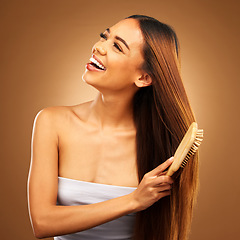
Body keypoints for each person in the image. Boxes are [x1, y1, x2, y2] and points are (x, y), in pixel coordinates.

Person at [27, 14, 199, 240]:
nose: (99, 47)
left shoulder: (162, 146)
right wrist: (133, 200)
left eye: (117, 46)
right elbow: (42, 223)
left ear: (144, 77)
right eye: (104, 37)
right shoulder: (51, 122)